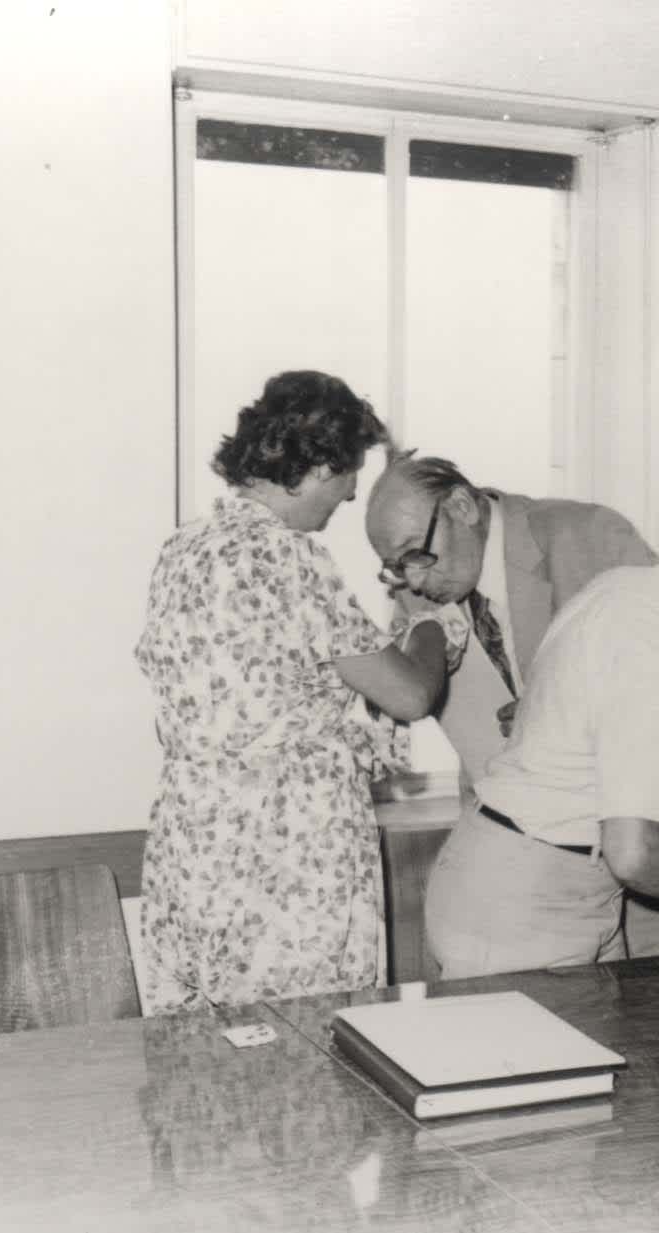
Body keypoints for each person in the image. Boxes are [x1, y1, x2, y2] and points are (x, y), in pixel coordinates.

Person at [135, 371, 449, 1013]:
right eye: (345, 479)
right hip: (286, 852)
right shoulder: (288, 558)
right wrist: (430, 628)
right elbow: (410, 697)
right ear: (315, 465)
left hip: (196, 841)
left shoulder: (184, 548)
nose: (348, 496)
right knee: (302, 1038)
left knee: (214, 1047)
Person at [421, 479, 659, 979]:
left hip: (535, 887)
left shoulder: (627, 588)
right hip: (527, 906)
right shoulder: (653, 656)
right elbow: (633, 853)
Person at [364, 454, 656, 793]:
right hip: (498, 808)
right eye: (398, 566)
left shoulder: (592, 536)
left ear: (462, 508)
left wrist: (564, 714)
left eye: (414, 553)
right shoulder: (415, 592)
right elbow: (395, 695)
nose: (413, 581)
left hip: (613, 797)